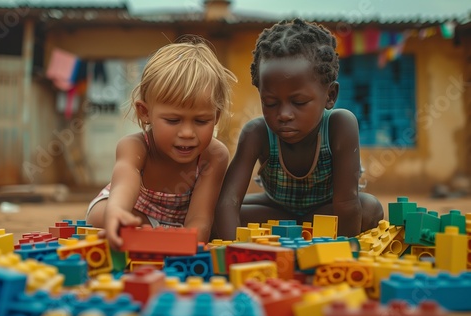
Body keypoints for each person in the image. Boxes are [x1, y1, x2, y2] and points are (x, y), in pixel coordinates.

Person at [212, 19, 384, 240]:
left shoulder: (340, 126)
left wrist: (340, 256)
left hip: (327, 211)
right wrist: (232, 249)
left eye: (299, 102)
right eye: (271, 103)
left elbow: (347, 204)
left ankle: (297, 233)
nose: (284, 114)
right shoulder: (256, 133)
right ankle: (298, 233)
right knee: (217, 214)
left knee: (369, 209)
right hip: (277, 211)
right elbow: (229, 202)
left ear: (330, 96)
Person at [86, 36, 237, 250]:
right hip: (136, 214)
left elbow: (199, 218)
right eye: (173, 120)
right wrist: (117, 212)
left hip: (178, 225)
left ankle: (148, 241)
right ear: (145, 112)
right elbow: (123, 184)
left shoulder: (214, 155)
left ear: (216, 117)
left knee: (205, 233)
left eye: (201, 121)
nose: (187, 133)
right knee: (100, 215)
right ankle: (144, 236)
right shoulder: (136, 147)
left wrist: (189, 239)